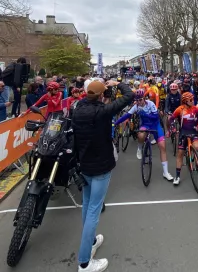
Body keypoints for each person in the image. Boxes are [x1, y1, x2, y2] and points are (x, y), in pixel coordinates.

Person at [73, 79, 133, 272]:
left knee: (87, 204)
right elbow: (129, 95)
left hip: (84, 163)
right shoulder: (102, 112)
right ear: (101, 96)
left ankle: (90, 243)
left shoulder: (78, 109)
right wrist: (118, 83)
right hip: (101, 166)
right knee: (93, 211)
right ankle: (84, 263)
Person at [116, 90, 174, 181]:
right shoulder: (136, 107)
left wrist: (146, 114)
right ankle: (139, 148)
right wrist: (116, 123)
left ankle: (165, 172)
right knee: (141, 135)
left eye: (140, 100)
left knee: (162, 146)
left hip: (155, 125)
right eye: (137, 100)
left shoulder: (150, 104)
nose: (139, 102)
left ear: (144, 98)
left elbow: (156, 117)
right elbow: (126, 116)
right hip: (145, 125)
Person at [169, 92, 198, 185]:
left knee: (197, 147)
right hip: (183, 133)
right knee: (180, 154)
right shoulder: (180, 109)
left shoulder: (195, 109)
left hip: (193, 132)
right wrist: (173, 128)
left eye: (193, 99)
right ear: (185, 101)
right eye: (191, 100)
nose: (193, 101)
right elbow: (171, 119)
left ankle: (196, 160)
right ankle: (177, 176)